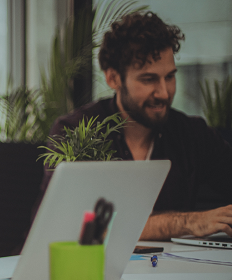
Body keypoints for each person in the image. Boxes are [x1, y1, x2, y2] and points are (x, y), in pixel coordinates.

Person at [43, 11, 232, 240]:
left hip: (172, 273)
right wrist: (188, 223)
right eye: (149, 79)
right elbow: (76, 226)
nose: (164, 92)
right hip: (83, 270)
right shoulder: (74, 132)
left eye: (170, 77)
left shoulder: (191, 134)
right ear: (113, 78)